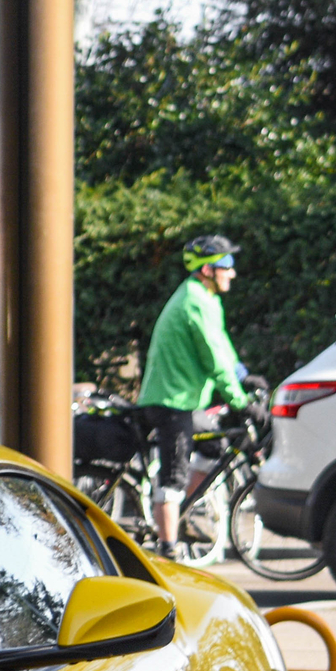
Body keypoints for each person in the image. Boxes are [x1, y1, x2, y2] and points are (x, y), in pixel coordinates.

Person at [137, 235, 254, 549]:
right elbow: (213, 359)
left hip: (186, 402)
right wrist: (240, 402)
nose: (232, 272)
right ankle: (168, 547)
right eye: (225, 265)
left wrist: (245, 376)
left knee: (215, 449)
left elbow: (222, 345)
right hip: (170, 402)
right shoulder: (194, 302)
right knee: (173, 474)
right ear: (206, 270)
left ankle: (182, 515)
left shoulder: (207, 299)